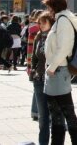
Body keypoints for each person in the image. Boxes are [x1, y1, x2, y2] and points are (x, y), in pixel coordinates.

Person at [42, 0, 77, 145]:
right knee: (57, 115)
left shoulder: (63, 21)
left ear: (54, 6)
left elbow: (63, 48)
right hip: (56, 70)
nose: (48, 9)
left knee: (67, 113)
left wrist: (51, 67)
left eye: (49, 6)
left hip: (58, 70)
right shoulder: (62, 19)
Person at [29, 11, 54, 145]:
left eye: (43, 22)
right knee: (43, 116)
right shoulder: (39, 36)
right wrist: (33, 70)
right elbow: (34, 56)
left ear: (50, 22)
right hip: (39, 79)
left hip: (53, 79)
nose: (40, 25)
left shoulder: (55, 36)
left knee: (56, 115)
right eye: (39, 22)